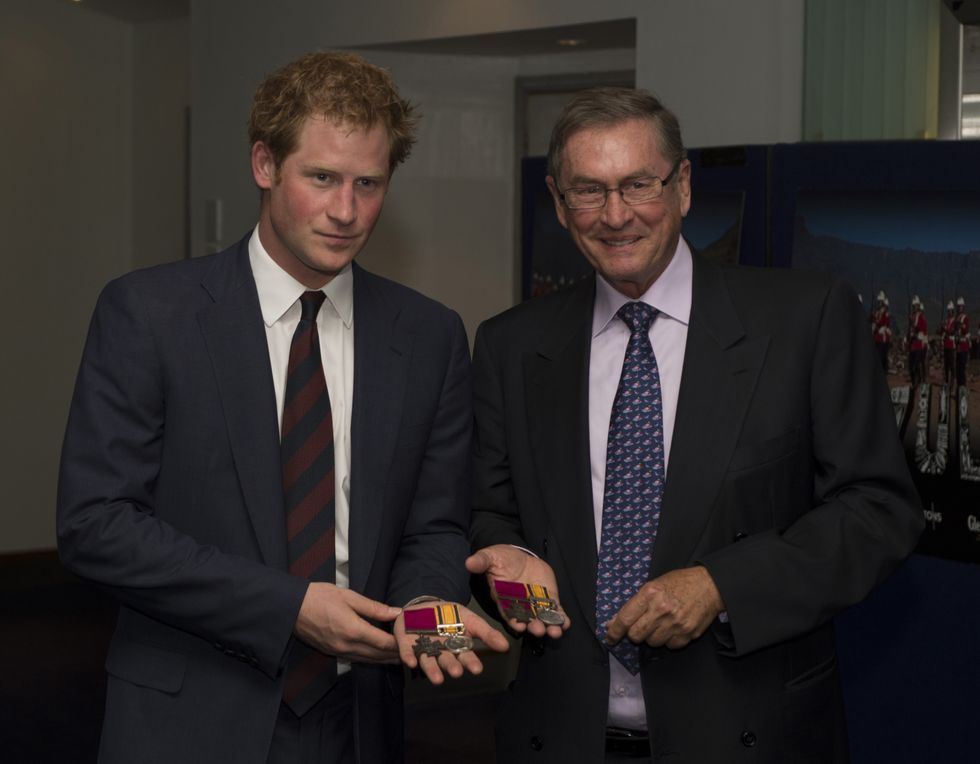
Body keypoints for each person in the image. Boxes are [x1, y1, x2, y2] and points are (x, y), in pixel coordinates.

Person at [57, 51, 507, 764]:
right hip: (189, 716)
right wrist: (290, 608)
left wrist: (428, 608)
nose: (345, 211)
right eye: (321, 178)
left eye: (369, 183)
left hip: (360, 716)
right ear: (264, 164)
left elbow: (434, 524)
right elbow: (96, 524)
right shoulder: (150, 314)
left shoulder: (428, 334)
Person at [466, 88, 923, 763]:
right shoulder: (511, 346)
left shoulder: (803, 321)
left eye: (638, 185)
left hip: (747, 733)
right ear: (559, 204)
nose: (615, 215)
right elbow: (486, 512)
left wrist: (722, 585)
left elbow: (878, 510)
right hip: (560, 734)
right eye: (588, 192)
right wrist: (503, 566)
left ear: (681, 186)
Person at [908, 294, 928, 387]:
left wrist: (914, 327)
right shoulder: (912, 317)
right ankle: (914, 382)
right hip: (912, 345)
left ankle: (918, 383)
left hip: (919, 344)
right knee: (911, 367)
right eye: (913, 306)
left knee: (917, 365)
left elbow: (923, 329)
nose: (914, 307)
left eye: (915, 306)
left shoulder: (921, 318)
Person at [871, 290, 892, 373]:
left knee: (881, 355)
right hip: (876, 336)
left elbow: (884, 322)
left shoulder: (885, 312)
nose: (879, 302)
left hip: (881, 336)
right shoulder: (877, 311)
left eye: (880, 301)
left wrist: (876, 321)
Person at [955, 296, 970, 387]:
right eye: (958, 306)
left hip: (964, 345)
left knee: (962, 368)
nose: (959, 308)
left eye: (961, 306)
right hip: (958, 346)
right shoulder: (957, 318)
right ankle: (959, 386)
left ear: (963, 307)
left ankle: (963, 387)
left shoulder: (965, 318)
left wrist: (961, 326)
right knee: (958, 369)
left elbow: (966, 329)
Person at [941, 300, 956, 385]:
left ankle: (953, 382)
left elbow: (951, 331)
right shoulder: (946, 321)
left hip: (952, 345)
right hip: (946, 344)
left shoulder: (954, 321)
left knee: (952, 365)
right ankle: (946, 381)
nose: (949, 313)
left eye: (950, 311)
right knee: (946, 365)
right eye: (948, 311)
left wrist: (945, 329)